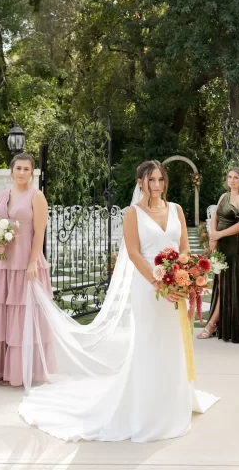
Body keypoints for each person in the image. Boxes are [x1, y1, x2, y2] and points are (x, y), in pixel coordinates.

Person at [19, 160, 218, 442]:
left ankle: (174, 402)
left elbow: (184, 248)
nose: (157, 185)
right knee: (149, 342)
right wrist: (158, 282)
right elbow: (135, 253)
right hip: (148, 286)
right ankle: (146, 409)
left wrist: (183, 278)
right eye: (152, 180)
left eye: (161, 179)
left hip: (176, 286)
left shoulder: (176, 210)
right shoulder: (132, 213)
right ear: (141, 182)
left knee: (173, 342)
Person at [0, 153, 56, 386]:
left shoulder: (37, 197)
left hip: (27, 264)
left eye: (27, 169)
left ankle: (25, 372)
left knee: (25, 317)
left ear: (31, 173)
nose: (22, 172)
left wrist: (33, 262)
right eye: (19, 168)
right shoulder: (3, 196)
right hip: (5, 265)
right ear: (11, 170)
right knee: (5, 317)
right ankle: (5, 371)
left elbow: (39, 232)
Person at [197, 167, 239, 343]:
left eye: (236, 177)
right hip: (220, 245)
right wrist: (213, 235)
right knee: (220, 285)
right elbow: (215, 217)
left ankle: (212, 324)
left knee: (230, 285)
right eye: (229, 177)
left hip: (235, 246)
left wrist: (220, 234)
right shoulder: (223, 196)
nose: (232, 180)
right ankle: (219, 321)